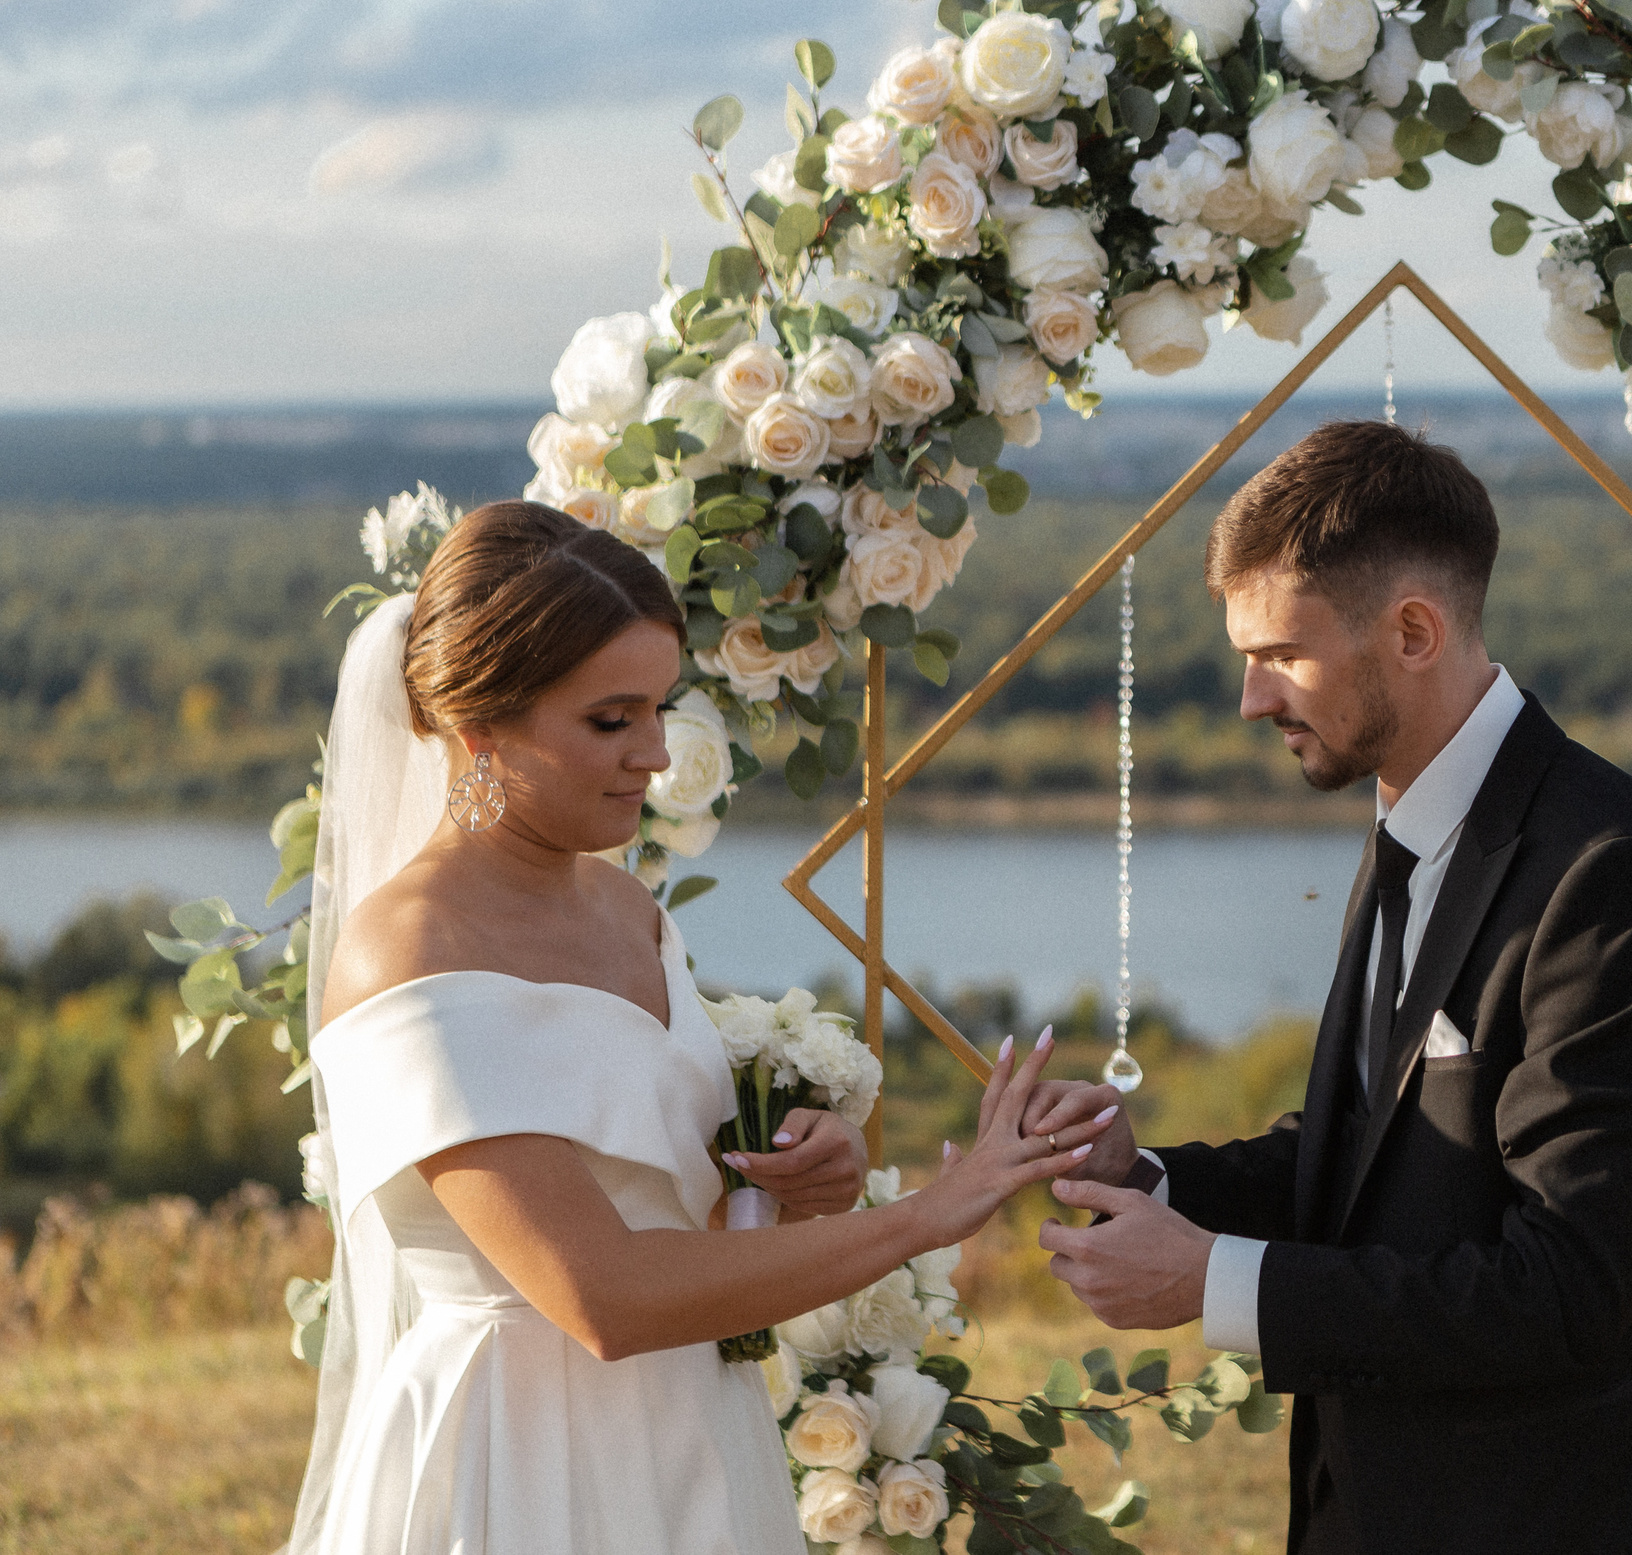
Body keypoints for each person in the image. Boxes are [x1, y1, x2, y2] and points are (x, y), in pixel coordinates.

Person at [1026, 423, 1632, 1554]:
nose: (1250, 698)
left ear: (1414, 632)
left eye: (1281, 654)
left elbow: (1563, 1288)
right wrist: (1149, 1179)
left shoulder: (1609, 872)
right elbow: (1379, 1161)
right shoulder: (1413, 826)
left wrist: (1219, 1283)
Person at [293, 501, 1104, 1555]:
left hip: (692, 1432)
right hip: (518, 1456)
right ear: (479, 726)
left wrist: (798, 1182)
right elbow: (603, 1295)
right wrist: (925, 1216)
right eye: (610, 721)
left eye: (659, 710)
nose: (656, 755)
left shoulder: (626, 909)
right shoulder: (408, 951)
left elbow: (683, 1214)